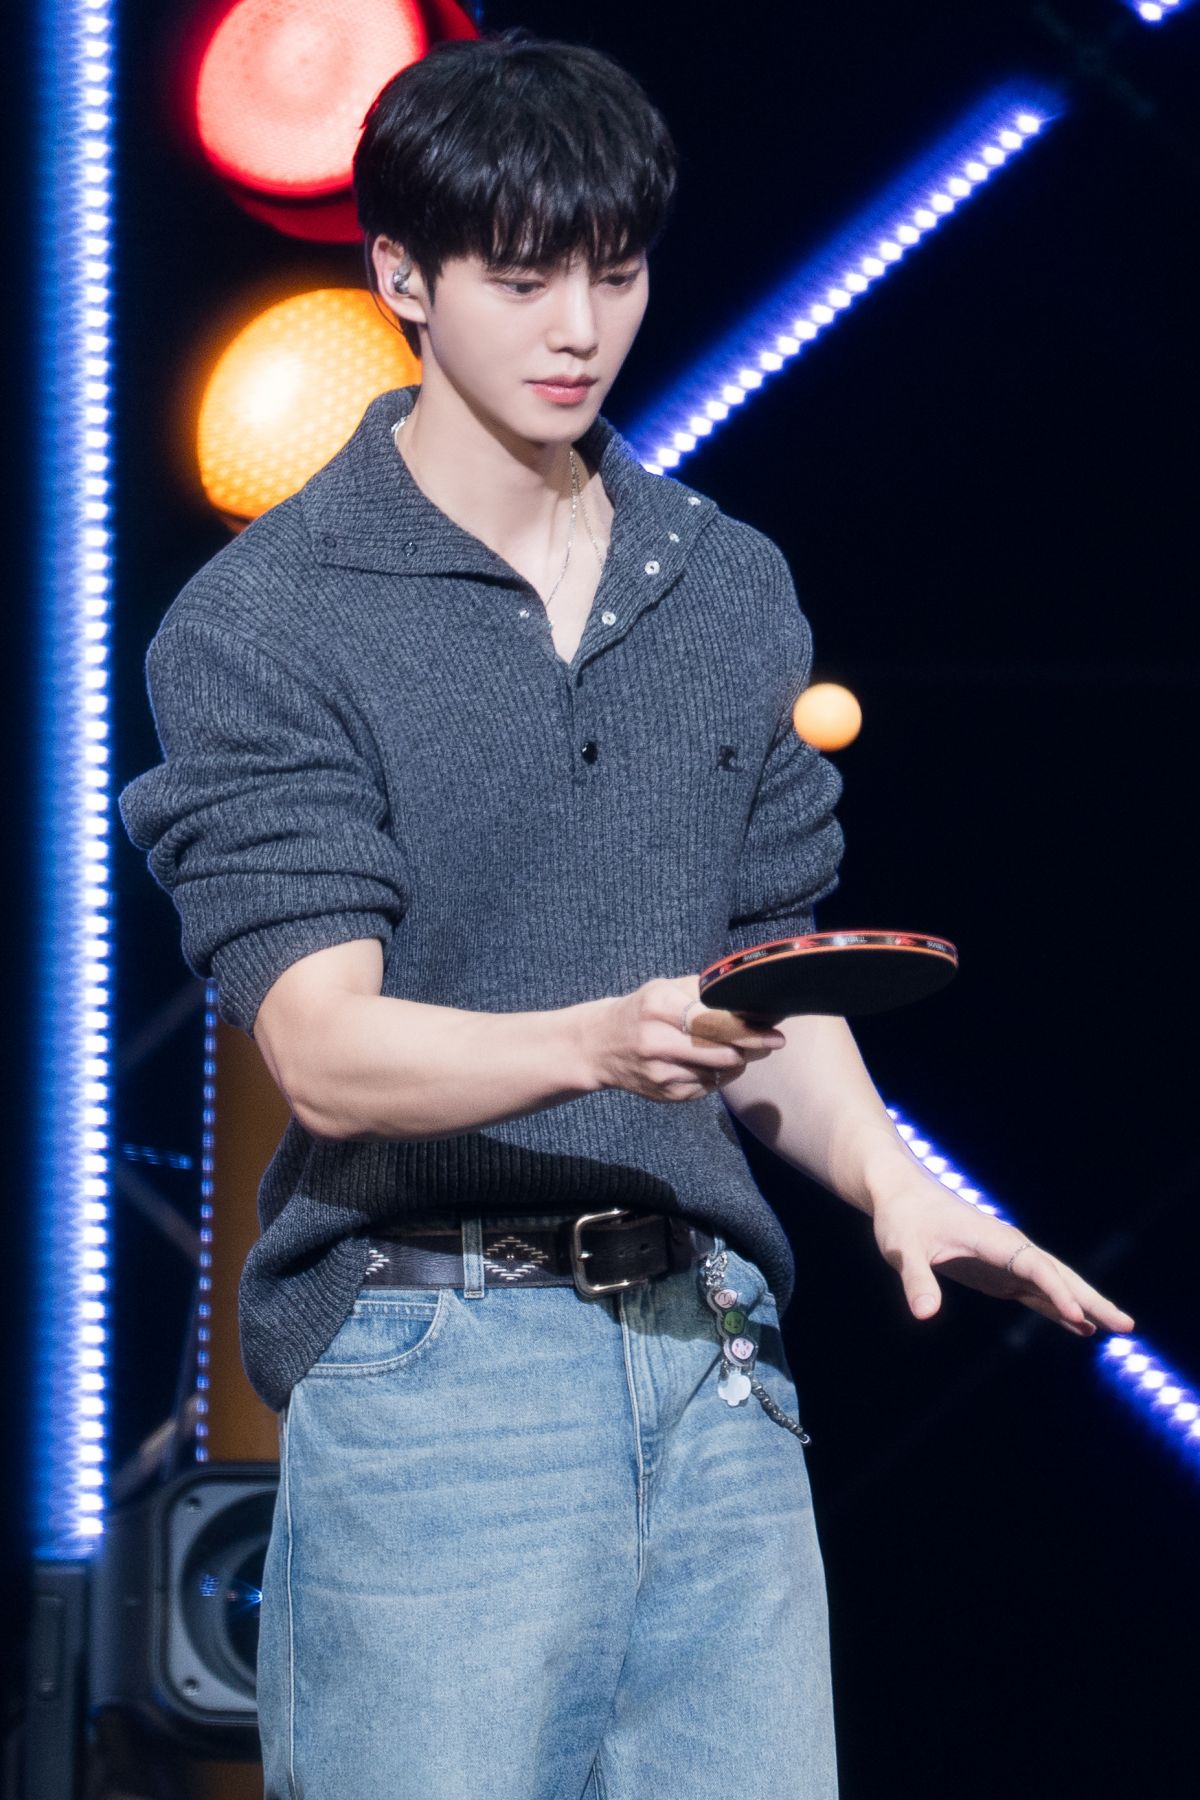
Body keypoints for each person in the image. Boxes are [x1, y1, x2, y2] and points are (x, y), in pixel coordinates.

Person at [120, 30, 1134, 1800]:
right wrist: (598, 1039)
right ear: (404, 279)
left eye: (617, 272)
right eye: (523, 282)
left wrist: (891, 1182)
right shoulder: (270, 620)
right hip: (436, 1367)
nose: (579, 328)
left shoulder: (723, 583)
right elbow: (326, 1051)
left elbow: (770, 990)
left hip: (713, 1360)